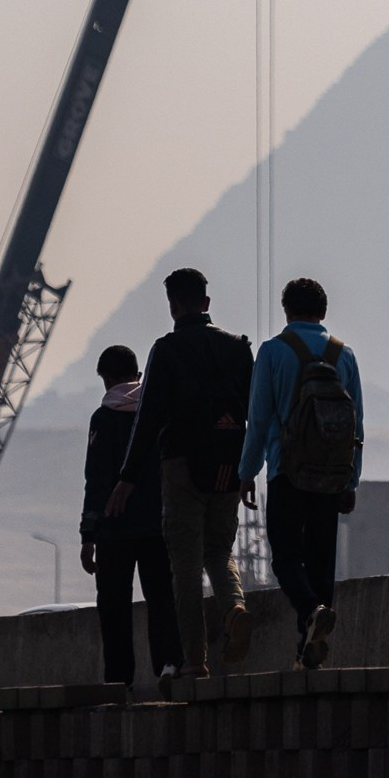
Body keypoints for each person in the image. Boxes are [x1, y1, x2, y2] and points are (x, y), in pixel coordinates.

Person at [109, 266, 255, 676]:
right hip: (229, 465)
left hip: (182, 467)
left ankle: (195, 661)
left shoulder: (166, 350)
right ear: (206, 302)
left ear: (173, 306)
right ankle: (234, 607)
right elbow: (256, 413)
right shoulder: (239, 348)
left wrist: (127, 478)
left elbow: (148, 420)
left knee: (186, 565)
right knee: (219, 550)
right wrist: (249, 468)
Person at [238, 276, 365, 669]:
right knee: (321, 560)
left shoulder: (273, 351)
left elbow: (258, 419)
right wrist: (351, 480)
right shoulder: (344, 355)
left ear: (286, 311)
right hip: (331, 475)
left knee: (286, 557)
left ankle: (310, 613)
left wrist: (247, 472)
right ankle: (307, 648)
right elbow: (356, 426)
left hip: (287, 471)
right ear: (323, 311)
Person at [78, 344, 182, 689]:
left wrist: (88, 535)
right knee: (162, 598)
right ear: (138, 375)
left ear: (106, 379)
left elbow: (96, 481)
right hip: (157, 525)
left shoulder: (103, 418)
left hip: (114, 529)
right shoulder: (159, 413)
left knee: (114, 606)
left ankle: (119, 681)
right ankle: (168, 664)